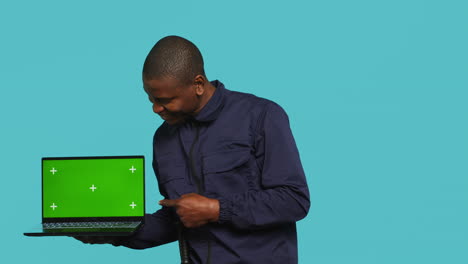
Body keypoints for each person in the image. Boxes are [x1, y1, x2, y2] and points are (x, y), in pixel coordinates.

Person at [76, 35, 310, 264]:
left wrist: (216, 209)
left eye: (165, 100)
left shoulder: (261, 115)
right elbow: (176, 219)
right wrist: (111, 230)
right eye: (150, 99)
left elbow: (293, 200)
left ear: (198, 84)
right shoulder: (164, 137)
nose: (156, 109)